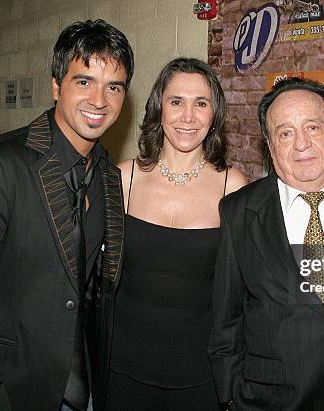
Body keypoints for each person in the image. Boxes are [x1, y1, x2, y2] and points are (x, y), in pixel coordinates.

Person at [0, 19, 133, 411]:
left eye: (114, 86)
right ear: (56, 86)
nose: (99, 100)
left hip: (82, 386)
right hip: (2, 387)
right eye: (84, 82)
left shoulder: (108, 174)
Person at [208, 77, 324, 410]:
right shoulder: (240, 212)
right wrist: (231, 399)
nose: (300, 145)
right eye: (285, 133)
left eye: (313, 128)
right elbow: (225, 326)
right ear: (270, 147)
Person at [98, 57, 245, 410]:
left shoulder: (232, 185)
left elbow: (241, 290)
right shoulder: (122, 179)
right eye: (176, 102)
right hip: (122, 367)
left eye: (201, 103)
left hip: (201, 374)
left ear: (215, 114)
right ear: (158, 108)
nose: (188, 117)